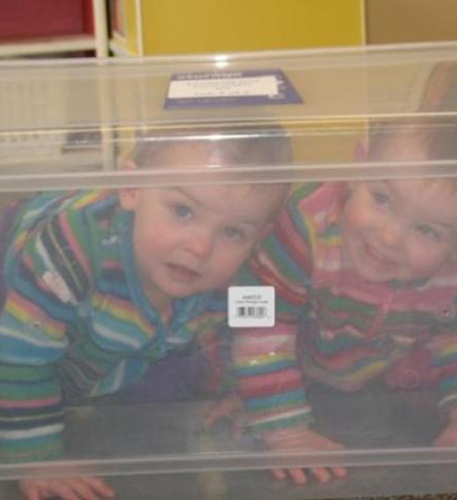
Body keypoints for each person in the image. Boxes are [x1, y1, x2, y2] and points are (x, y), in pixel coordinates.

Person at [0, 125, 291, 500]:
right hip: (20, 274)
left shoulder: (244, 280)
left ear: (258, 237)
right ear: (131, 188)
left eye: (233, 232)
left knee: (167, 383)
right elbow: (19, 353)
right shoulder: (71, 247)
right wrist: (37, 458)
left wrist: (246, 394)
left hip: (123, 333)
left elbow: (256, 339)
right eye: (182, 210)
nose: (200, 247)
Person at [233, 116, 457, 485]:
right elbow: (255, 319)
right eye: (382, 198)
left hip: (384, 385)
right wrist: (284, 429)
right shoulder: (301, 225)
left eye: (427, 230)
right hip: (280, 370)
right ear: (357, 169)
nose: (389, 236)